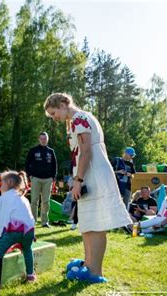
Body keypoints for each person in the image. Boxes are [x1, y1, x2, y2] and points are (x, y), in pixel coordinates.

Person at [44, 93, 132, 283]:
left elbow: (86, 152)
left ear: (62, 104)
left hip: (92, 174)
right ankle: (88, 264)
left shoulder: (78, 119)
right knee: (87, 222)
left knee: (96, 223)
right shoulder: (80, 118)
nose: (54, 118)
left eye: (53, 113)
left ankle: (95, 272)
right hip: (88, 173)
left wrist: (78, 179)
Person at [0, 171, 35, 295]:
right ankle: (31, 276)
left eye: (1, 183)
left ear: (8, 183)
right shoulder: (23, 198)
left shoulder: (3, 198)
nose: (0, 186)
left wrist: (0, 238)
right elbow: (29, 217)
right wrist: (31, 235)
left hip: (12, 231)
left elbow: (0, 221)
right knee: (27, 250)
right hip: (28, 231)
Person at [25, 132, 58, 228]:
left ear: (47, 140)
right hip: (35, 178)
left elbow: (54, 166)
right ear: (39, 140)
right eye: (41, 138)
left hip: (48, 179)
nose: (43, 140)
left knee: (46, 201)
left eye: (45, 138)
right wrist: (30, 175)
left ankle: (44, 222)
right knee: (34, 201)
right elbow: (27, 164)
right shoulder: (33, 150)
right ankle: (33, 221)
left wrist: (53, 177)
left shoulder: (51, 151)